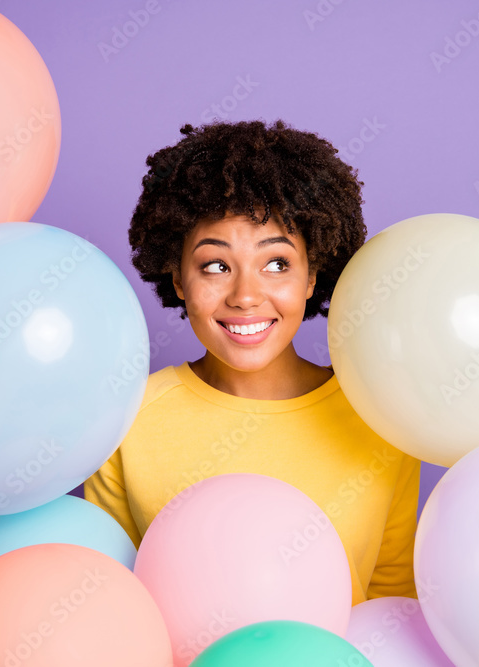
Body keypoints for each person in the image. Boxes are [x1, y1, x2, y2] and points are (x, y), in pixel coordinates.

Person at [84, 119, 420, 603]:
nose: (245, 296)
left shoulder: (381, 419)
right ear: (178, 280)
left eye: (277, 264)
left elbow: (392, 606)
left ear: (311, 276)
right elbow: (110, 610)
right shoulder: (125, 422)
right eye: (215, 266)